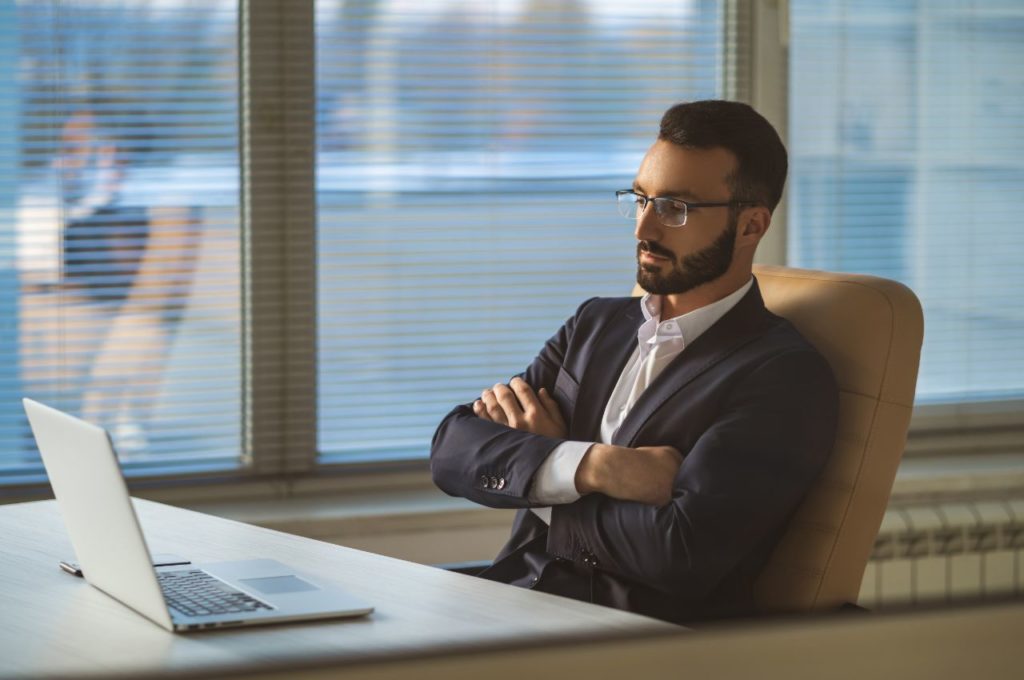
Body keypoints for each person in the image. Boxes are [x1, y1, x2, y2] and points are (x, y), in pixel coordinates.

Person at [429, 100, 839, 625]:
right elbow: (453, 450)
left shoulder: (783, 377)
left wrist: (546, 469)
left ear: (750, 226)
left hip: (634, 643)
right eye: (641, 199)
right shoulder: (595, 323)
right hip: (510, 600)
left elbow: (680, 554)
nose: (644, 229)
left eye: (675, 208)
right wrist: (599, 466)